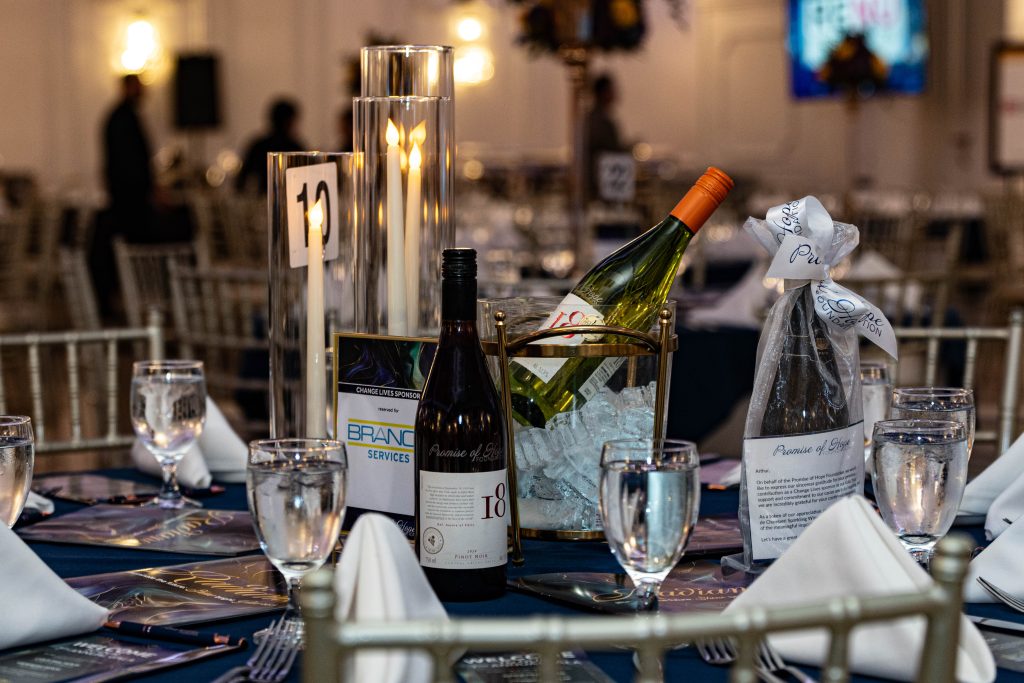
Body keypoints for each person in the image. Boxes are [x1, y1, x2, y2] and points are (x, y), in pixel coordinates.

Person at [102, 74, 155, 241]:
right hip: (129, 193)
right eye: (137, 86)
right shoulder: (122, 118)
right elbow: (129, 159)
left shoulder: (125, 115)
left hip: (130, 190)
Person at [235, 98, 305, 194]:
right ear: (289, 121)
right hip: (291, 199)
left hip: (264, 199)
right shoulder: (296, 148)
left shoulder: (258, 146)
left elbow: (240, 182)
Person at [584, 73, 625, 202]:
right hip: (601, 182)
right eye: (611, 90)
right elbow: (610, 151)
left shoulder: (595, 118)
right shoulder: (599, 121)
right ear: (604, 93)